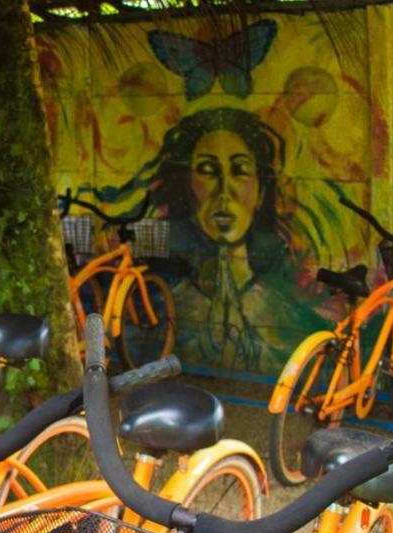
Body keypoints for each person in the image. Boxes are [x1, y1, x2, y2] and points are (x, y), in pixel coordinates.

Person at [86, 107, 324, 372]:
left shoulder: (290, 314)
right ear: (187, 186)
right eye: (208, 171)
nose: (224, 192)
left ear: (261, 189)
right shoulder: (171, 302)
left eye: (240, 170)